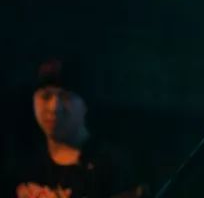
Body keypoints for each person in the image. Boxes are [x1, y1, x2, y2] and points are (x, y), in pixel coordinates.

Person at [15, 57, 142, 198]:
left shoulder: (113, 165)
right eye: (45, 96)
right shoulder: (22, 162)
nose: (54, 108)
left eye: (66, 97)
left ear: (85, 104)